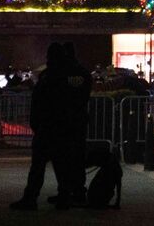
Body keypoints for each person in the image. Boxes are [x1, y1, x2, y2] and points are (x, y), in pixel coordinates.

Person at [10, 44, 67, 211]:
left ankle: (31, 198)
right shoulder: (64, 77)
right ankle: (63, 197)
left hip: (47, 126)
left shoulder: (48, 77)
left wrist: (36, 123)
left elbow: (39, 101)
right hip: (59, 126)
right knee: (60, 165)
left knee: (38, 166)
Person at [56, 42, 92, 206]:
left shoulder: (59, 72)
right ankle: (79, 191)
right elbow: (86, 94)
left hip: (63, 120)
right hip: (79, 118)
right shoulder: (84, 73)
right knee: (78, 156)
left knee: (63, 157)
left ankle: (64, 192)